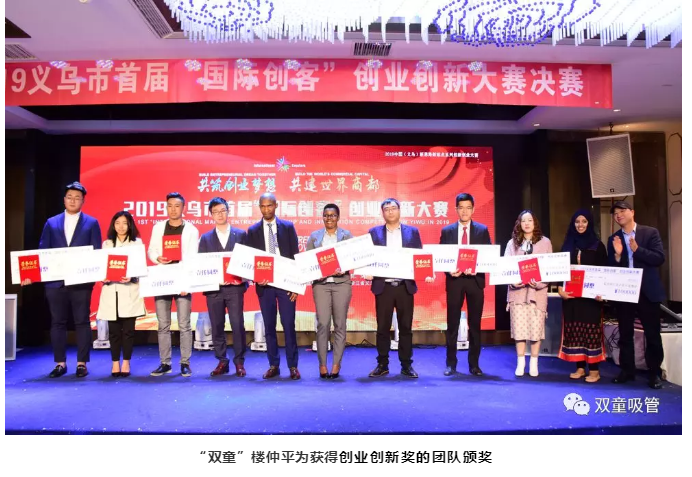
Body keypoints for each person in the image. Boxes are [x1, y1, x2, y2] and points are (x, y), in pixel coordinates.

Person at [26, 181, 102, 378]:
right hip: (55, 282)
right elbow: (43, 251)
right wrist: (31, 274)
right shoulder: (52, 223)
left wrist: (94, 275)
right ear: (64, 200)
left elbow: (97, 252)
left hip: (81, 282)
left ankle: (82, 363)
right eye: (70, 197)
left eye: (77, 198)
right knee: (57, 322)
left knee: (82, 321)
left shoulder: (91, 223)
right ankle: (60, 363)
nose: (73, 201)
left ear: (83, 201)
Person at [607, 200, 666, 389]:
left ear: (632, 212)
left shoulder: (649, 233)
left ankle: (654, 373)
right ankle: (627, 370)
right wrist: (617, 256)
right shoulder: (614, 238)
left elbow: (659, 258)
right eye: (615, 213)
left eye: (622, 211)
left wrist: (637, 250)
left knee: (652, 334)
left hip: (647, 291)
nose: (618, 215)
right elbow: (610, 267)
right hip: (625, 291)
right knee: (625, 333)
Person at [246, 193, 301, 380]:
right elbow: (250, 260)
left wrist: (296, 285)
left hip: (286, 284)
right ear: (259, 207)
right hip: (265, 285)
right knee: (269, 326)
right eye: (262, 206)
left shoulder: (288, 227)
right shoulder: (253, 231)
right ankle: (274, 365)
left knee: (288, 324)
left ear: (276, 206)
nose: (266, 209)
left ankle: (293, 366)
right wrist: (256, 277)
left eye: (269, 205)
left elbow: (295, 256)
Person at [367, 198, 423, 379]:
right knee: (382, 328)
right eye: (387, 209)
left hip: (404, 286)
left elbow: (419, 257)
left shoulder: (412, 232)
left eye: (393, 208)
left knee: (405, 328)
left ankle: (406, 365)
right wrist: (367, 271)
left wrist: (426, 272)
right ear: (382, 213)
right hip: (383, 286)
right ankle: (382, 364)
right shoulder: (374, 233)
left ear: (399, 210)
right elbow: (367, 256)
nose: (390, 212)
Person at [437, 192, 491, 377]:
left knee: (475, 325)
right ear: (456, 210)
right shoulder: (447, 231)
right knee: (452, 324)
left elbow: (488, 256)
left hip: (475, 281)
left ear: (473, 209)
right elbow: (441, 257)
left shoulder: (482, 230)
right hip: (455, 281)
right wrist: (448, 270)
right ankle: (451, 364)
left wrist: (478, 268)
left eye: (468, 208)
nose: (465, 211)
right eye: (461, 208)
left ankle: (474, 365)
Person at [147, 192, 199, 377]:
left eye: (177, 206)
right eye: (170, 206)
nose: (173, 209)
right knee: (163, 324)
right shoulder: (158, 227)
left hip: (182, 279)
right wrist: (157, 258)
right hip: (162, 279)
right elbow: (151, 250)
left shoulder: (191, 230)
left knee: (184, 324)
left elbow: (192, 258)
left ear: (183, 208)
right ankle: (165, 363)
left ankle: (185, 362)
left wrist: (187, 283)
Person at [198, 197, 249, 377]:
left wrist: (242, 279)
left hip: (235, 288)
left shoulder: (240, 234)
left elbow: (247, 261)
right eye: (215, 212)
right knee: (217, 325)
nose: (219, 215)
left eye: (222, 211)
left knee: (237, 324)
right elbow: (202, 265)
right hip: (214, 289)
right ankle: (222, 361)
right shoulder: (205, 238)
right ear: (211, 215)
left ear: (228, 211)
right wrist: (214, 280)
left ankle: (239, 362)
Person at [557, 209, 607, 383]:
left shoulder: (598, 246)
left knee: (590, 331)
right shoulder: (568, 244)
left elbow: (604, 271)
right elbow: (560, 270)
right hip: (572, 297)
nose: (580, 225)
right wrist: (560, 289)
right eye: (577, 222)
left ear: (589, 223)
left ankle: (594, 370)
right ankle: (580, 368)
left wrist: (602, 292)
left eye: (584, 221)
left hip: (591, 299)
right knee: (575, 331)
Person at [306, 203, 354, 379]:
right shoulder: (315, 237)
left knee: (340, 324)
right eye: (326, 215)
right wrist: (317, 273)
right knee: (323, 324)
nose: (329, 218)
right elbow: (308, 261)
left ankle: (336, 364)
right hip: (321, 285)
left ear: (338, 217)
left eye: (333, 215)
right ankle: (322, 364)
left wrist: (344, 267)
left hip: (342, 284)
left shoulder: (347, 235)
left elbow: (353, 258)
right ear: (322, 217)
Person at [97, 211, 146, 378]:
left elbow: (141, 268)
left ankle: (126, 361)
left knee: (128, 331)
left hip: (129, 291)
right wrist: (103, 277)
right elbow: (101, 268)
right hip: (111, 291)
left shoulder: (137, 243)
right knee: (114, 331)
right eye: (117, 223)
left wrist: (131, 276)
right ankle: (115, 362)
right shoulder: (107, 244)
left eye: (125, 223)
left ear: (130, 225)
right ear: (113, 225)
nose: (121, 226)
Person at [504, 210, 553, 377]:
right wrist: (512, 281)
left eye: (530, 220)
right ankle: (520, 363)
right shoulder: (512, 243)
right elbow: (505, 268)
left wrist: (539, 283)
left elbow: (551, 269)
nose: (527, 223)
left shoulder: (545, 242)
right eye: (523, 221)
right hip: (518, 293)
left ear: (535, 223)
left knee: (535, 330)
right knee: (519, 330)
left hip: (537, 294)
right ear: (519, 224)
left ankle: (534, 363)